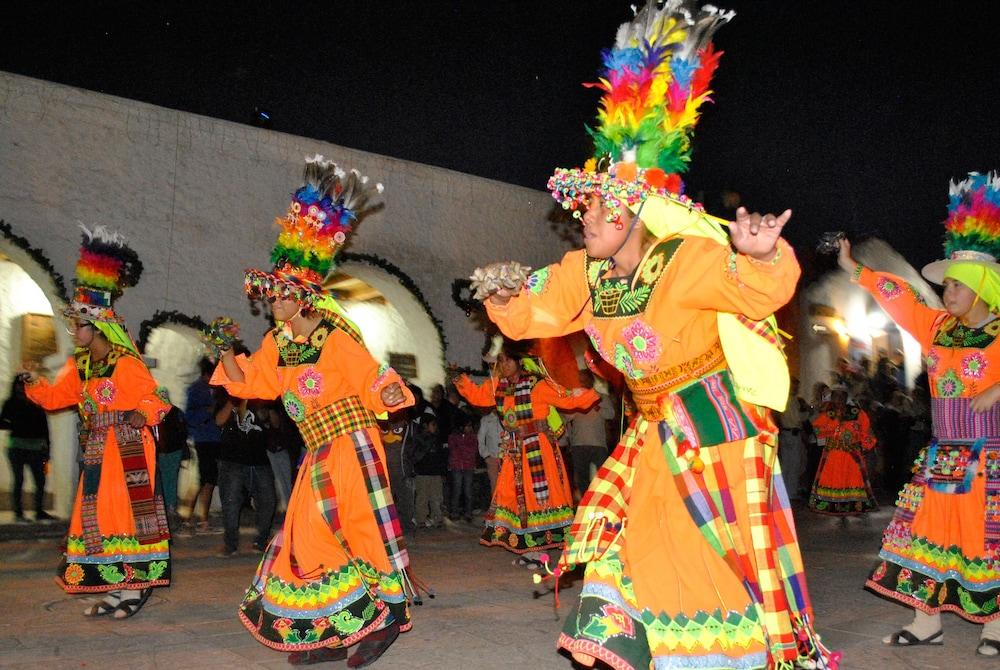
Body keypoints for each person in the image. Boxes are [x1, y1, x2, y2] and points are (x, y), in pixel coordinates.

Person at [473, 3, 835, 667]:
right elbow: (536, 315)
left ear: (638, 211)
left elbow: (760, 291)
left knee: (710, 559)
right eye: (581, 203)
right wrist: (503, 298)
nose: (584, 214)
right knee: (628, 546)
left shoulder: (686, 261)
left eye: (600, 203)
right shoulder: (581, 276)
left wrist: (757, 255)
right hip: (647, 434)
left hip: (710, 432)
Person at [211, 156, 414, 667]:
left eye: (277, 293)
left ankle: (384, 619)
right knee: (308, 535)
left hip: (352, 442)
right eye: (269, 292)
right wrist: (221, 352)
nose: (269, 301)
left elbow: (372, 376)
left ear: (302, 297)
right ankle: (329, 626)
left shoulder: (334, 336)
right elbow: (252, 381)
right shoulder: (277, 342)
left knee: (362, 532)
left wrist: (388, 395)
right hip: (318, 448)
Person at [839, 171, 1000, 655]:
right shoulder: (936, 327)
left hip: (990, 458)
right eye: (947, 285)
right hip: (945, 456)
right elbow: (900, 296)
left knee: (985, 538)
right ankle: (925, 622)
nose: (946, 292)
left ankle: (995, 627)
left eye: (955, 285)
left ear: (981, 290)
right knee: (925, 533)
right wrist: (855, 268)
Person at [21, 225, 170, 619]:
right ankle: (113, 586)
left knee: (128, 517)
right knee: (100, 520)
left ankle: (135, 587)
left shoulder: (125, 363)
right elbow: (58, 398)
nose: (73, 331)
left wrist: (143, 412)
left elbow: (157, 398)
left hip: (130, 447)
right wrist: (34, 385)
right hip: (99, 451)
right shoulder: (80, 366)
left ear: (98, 324)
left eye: (78, 324)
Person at [454, 340, 598, 566]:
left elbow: (566, 398)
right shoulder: (498, 386)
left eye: (507, 359)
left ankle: (540, 554)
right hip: (513, 451)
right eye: (500, 360)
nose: (503, 364)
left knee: (536, 499)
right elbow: (479, 396)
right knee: (517, 500)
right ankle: (527, 550)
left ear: (519, 361)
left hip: (537, 450)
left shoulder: (536, 384)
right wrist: (459, 379)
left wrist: (588, 394)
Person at [216, 393, 275, 557]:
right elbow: (219, 421)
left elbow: (274, 424)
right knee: (231, 503)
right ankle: (230, 544)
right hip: (232, 459)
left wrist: (267, 409)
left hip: (259, 459)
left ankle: (261, 541)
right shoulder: (227, 393)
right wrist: (233, 399)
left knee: (268, 501)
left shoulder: (263, 395)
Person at [807, 386, 878, 519]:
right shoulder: (829, 412)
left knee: (854, 479)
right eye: (835, 396)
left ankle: (856, 507)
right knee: (836, 479)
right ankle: (838, 508)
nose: (838, 399)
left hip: (852, 454)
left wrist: (864, 445)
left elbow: (866, 430)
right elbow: (817, 429)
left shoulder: (856, 412)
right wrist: (832, 429)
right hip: (834, 453)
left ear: (846, 398)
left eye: (841, 396)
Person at [1, 376, 53, 523]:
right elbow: (2, 422)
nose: (22, 387)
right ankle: (18, 513)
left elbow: (45, 427)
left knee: (40, 480)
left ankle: (39, 511)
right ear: (15, 386)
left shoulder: (37, 402)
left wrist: (47, 448)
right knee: (19, 480)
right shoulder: (10, 403)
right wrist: (16, 425)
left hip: (36, 448)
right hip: (16, 446)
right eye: (20, 384)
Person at [182, 358, 224, 534]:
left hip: (210, 439)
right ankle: (199, 520)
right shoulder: (198, 390)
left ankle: (193, 519)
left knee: (206, 480)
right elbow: (188, 415)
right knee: (205, 480)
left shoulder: (209, 390)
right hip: (203, 439)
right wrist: (208, 412)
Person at [564, 369, 614, 501]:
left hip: (598, 444)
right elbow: (566, 417)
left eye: (585, 378)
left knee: (604, 477)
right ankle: (586, 504)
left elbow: (611, 415)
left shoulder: (601, 397)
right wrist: (577, 406)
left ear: (591, 380)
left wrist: (598, 408)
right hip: (579, 444)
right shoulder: (574, 397)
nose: (582, 381)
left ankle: (605, 502)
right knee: (582, 479)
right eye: (580, 379)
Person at [154, 400, 188, 532]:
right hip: (168, 448)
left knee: (167, 481)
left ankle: (168, 515)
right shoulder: (172, 407)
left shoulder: (169, 406)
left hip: (170, 448)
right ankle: (169, 514)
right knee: (168, 481)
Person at [410, 415, 446, 528]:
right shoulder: (418, 438)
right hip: (422, 473)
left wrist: (443, 472)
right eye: (433, 424)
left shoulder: (437, 439)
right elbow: (413, 455)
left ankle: (437, 518)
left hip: (435, 473)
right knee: (422, 497)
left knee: (437, 497)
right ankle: (421, 519)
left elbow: (441, 457)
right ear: (425, 425)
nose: (435, 427)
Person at [777, 378, 808, 502]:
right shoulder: (792, 400)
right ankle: (791, 492)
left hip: (786, 433)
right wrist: (808, 412)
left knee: (786, 464)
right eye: (795, 387)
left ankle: (784, 491)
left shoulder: (786, 399)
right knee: (793, 464)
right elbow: (797, 419)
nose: (796, 389)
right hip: (792, 434)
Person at [447, 414, 478, 522]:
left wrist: (462, 449)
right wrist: (465, 450)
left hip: (468, 466)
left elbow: (472, 451)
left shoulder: (473, 437)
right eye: (468, 426)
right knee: (457, 490)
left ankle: (468, 513)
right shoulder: (453, 436)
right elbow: (454, 451)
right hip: (456, 466)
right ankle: (454, 512)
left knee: (468, 491)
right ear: (461, 426)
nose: (470, 428)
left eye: (471, 426)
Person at [476, 407, 501, 496]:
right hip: (492, 457)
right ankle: (495, 508)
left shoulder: (505, 417)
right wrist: (486, 456)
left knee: (507, 484)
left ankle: (507, 508)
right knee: (494, 485)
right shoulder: (486, 420)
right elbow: (480, 439)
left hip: (506, 457)